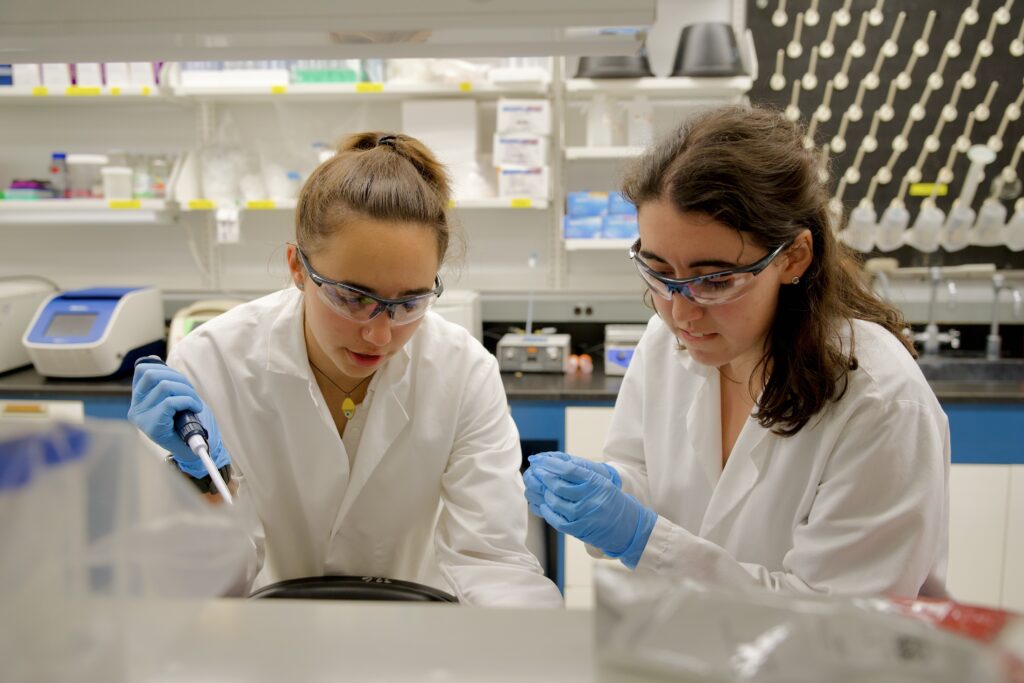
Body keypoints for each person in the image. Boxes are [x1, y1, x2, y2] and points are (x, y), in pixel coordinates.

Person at [524, 106, 949, 598]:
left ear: (793, 257)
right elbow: (648, 475)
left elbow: (835, 619)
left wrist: (643, 539)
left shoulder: (879, 400)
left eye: (716, 280)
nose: (680, 313)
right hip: (687, 650)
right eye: (659, 272)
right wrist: (613, 493)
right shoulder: (667, 343)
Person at [129, 132, 561, 607]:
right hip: (264, 641)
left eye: (410, 302)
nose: (379, 335)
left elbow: (492, 561)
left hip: (413, 638)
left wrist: (531, 643)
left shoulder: (463, 371)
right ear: (297, 267)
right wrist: (201, 479)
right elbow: (200, 588)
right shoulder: (213, 361)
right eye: (352, 298)